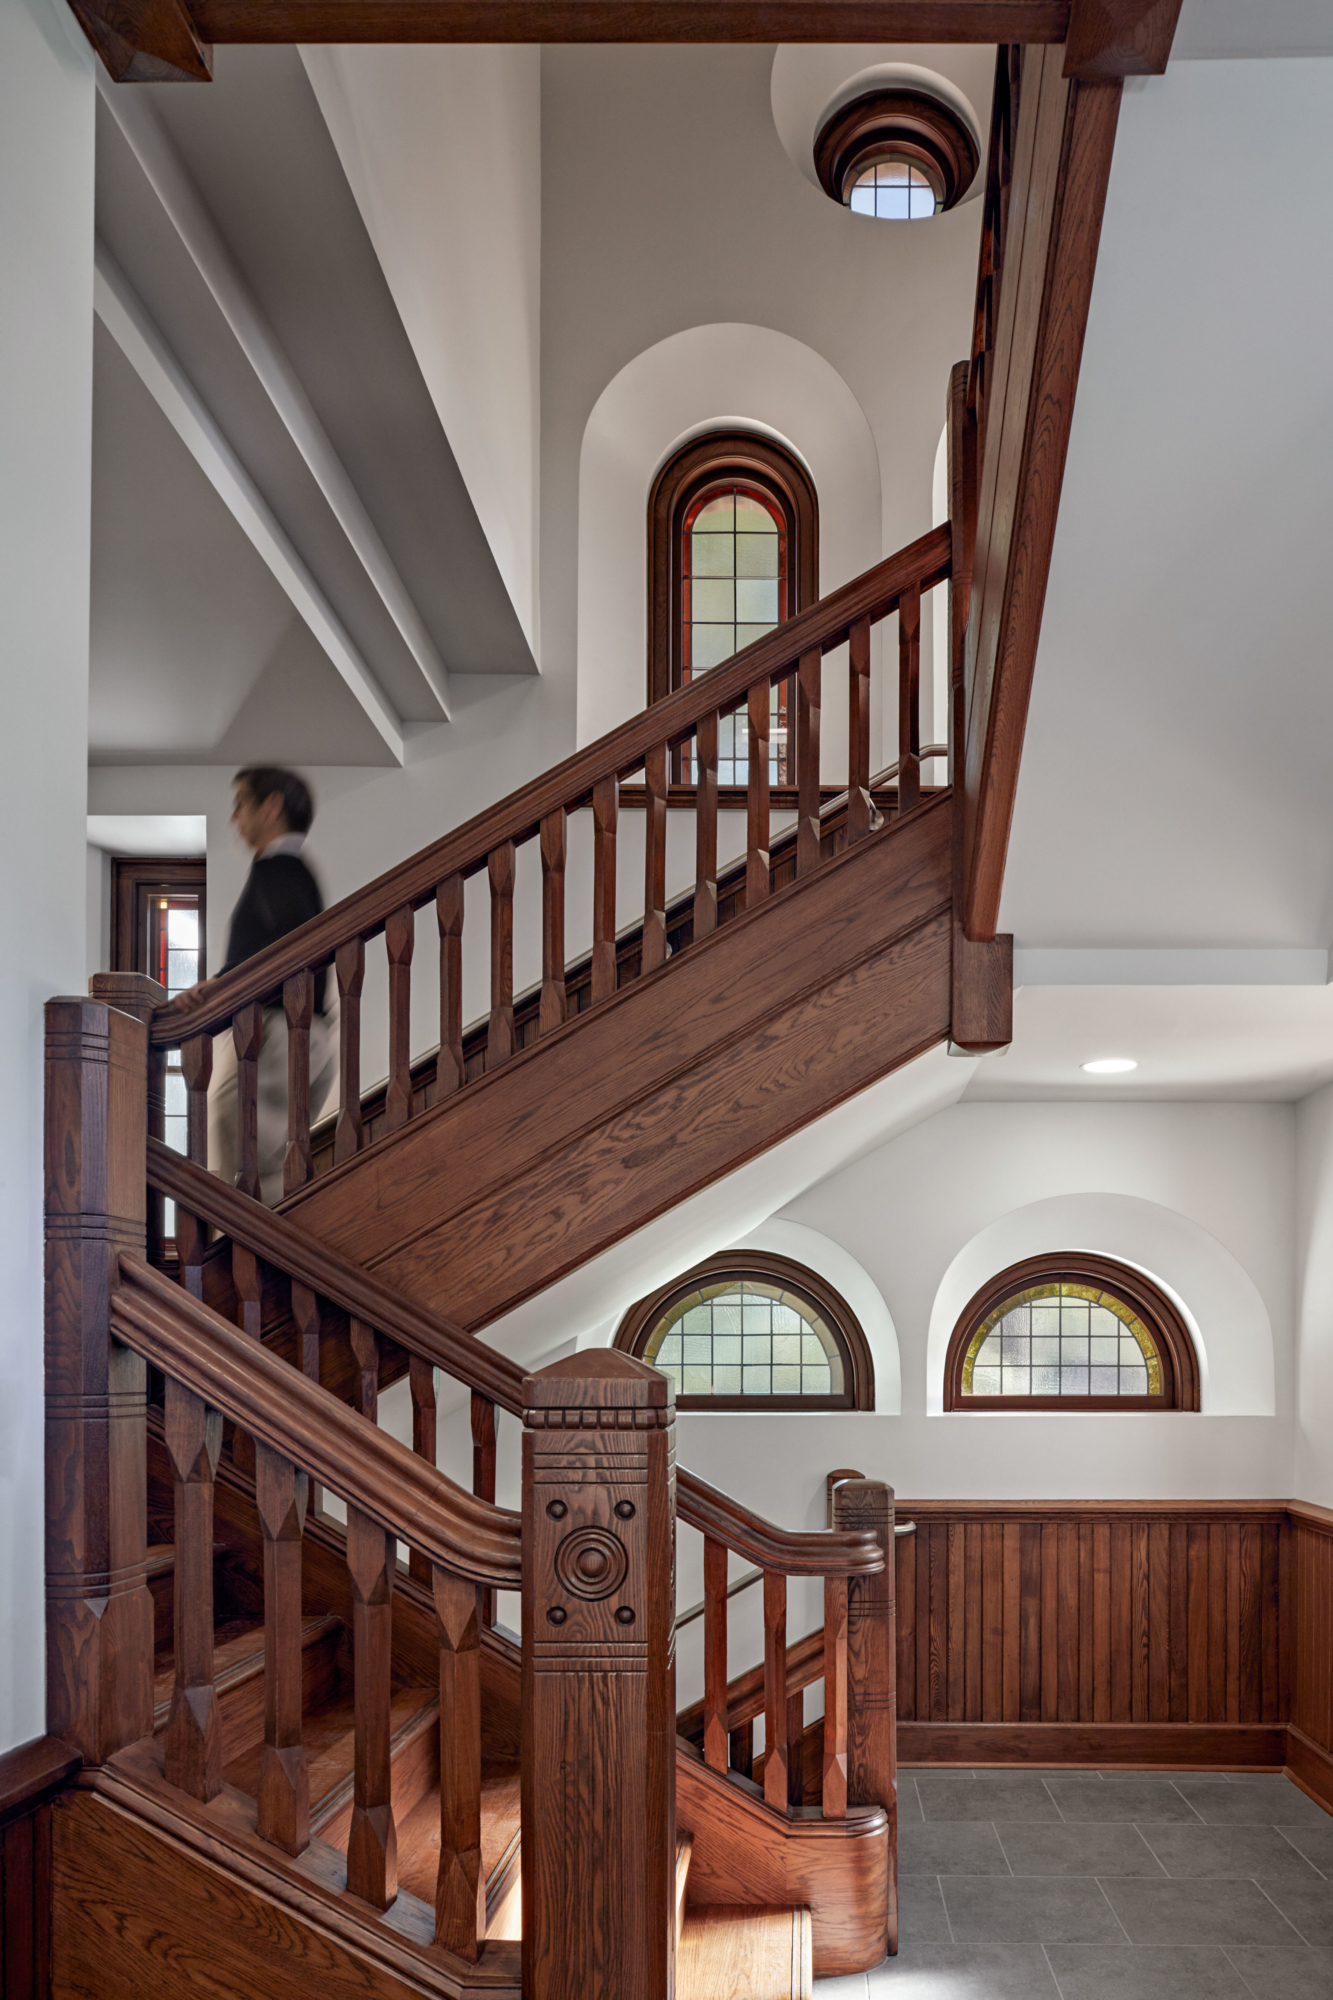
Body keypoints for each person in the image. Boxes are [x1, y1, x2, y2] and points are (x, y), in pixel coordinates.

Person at [170, 766, 338, 1205]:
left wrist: (220, 985)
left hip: (278, 1031)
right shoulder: (289, 871)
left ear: (273, 806)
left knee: (244, 1160)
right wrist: (218, 985)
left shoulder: (280, 869)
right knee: (256, 1164)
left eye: (241, 803)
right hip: (292, 1031)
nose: (234, 818)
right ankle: (256, 1263)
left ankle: (248, 1266)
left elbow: (279, 948)